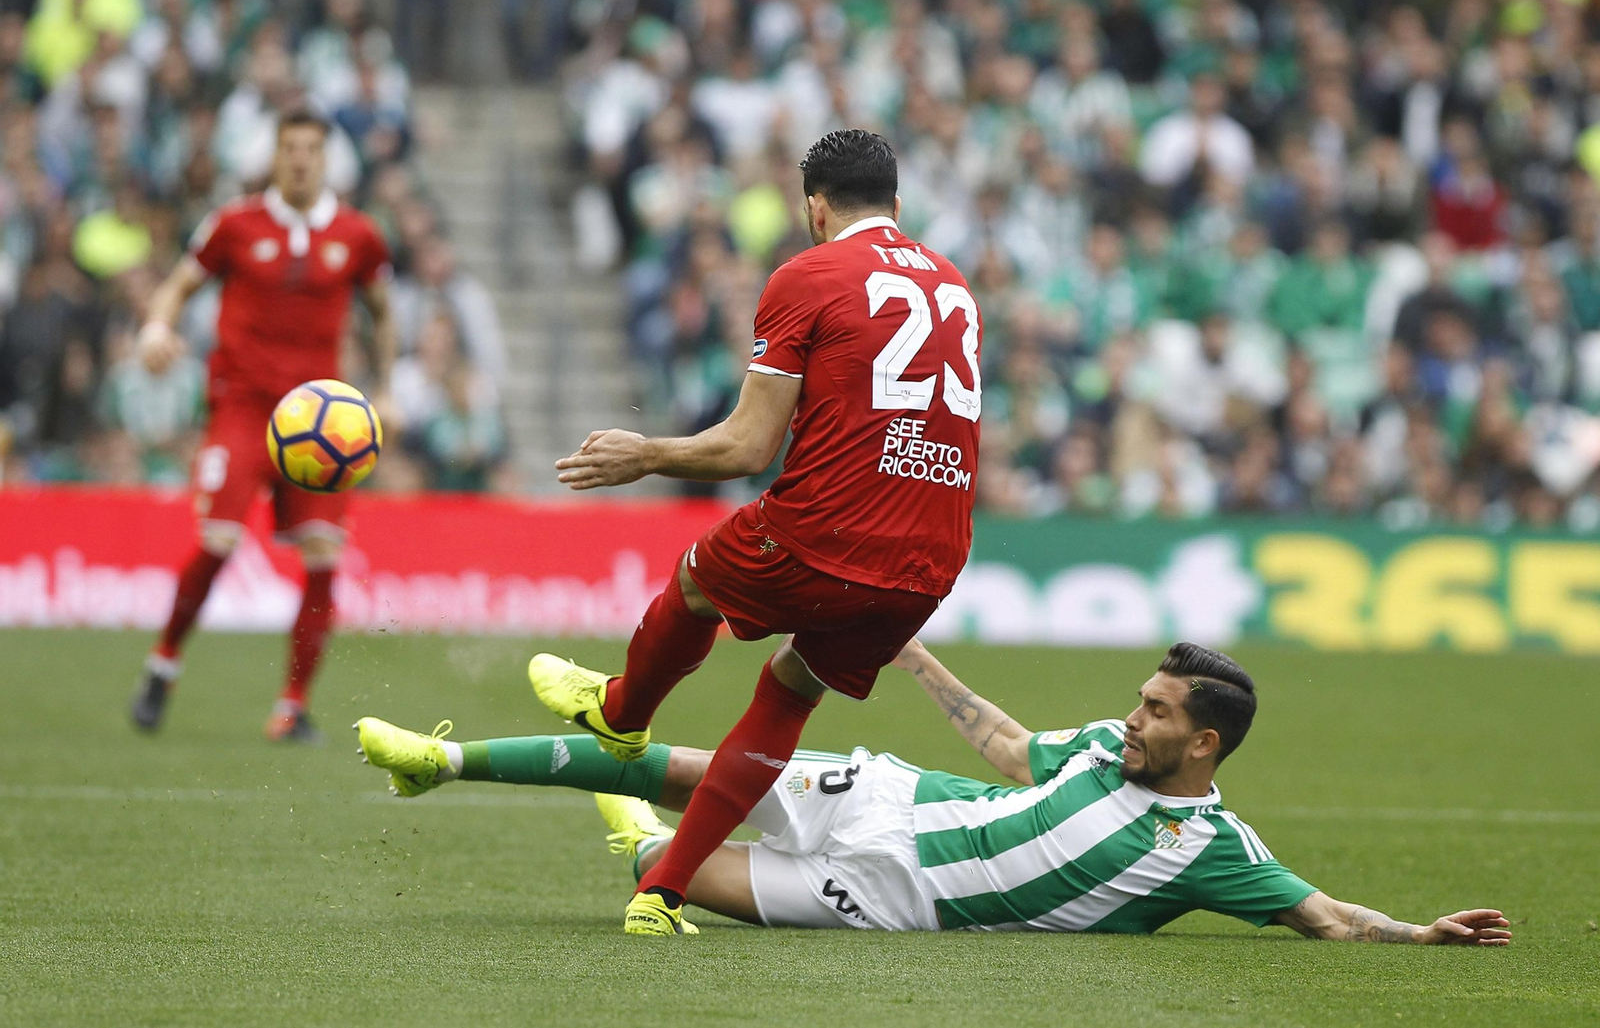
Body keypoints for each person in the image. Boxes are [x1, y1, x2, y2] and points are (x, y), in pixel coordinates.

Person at [539, 129, 983, 935]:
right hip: (933, 557)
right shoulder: (955, 284)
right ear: (898, 204)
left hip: (827, 529)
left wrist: (647, 454)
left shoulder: (807, 275)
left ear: (814, 208)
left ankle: (623, 710)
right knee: (791, 686)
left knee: (694, 581)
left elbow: (746, 446)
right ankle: (663, 893)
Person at [354, 640, 1511, 944]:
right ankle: (440, 760)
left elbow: (1318, 913)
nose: (1135, 713)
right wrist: (913, 657)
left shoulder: (1210, 846)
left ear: (1204, 743)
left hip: (895, 898)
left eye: (1158, 710)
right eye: (1142, 698)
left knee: (677, 871)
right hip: (888, 795)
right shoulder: (1104, 742)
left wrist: (1417, 930)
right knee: (673, 761)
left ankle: (641, 839)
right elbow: (1007, 745)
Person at [129, 109, 394, 742]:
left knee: (325, 557)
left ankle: (292, 706)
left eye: (311, 149)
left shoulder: (358, 235)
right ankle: (163, 665)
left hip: (320, 425)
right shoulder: (235, 223)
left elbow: (383, 312)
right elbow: (178, 287)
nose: (300, 159)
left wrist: (385, 387)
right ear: (274, 156)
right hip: (243, 405)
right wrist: (157, 327)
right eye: (289, 148)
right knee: (218, 540)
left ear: (326, 159)